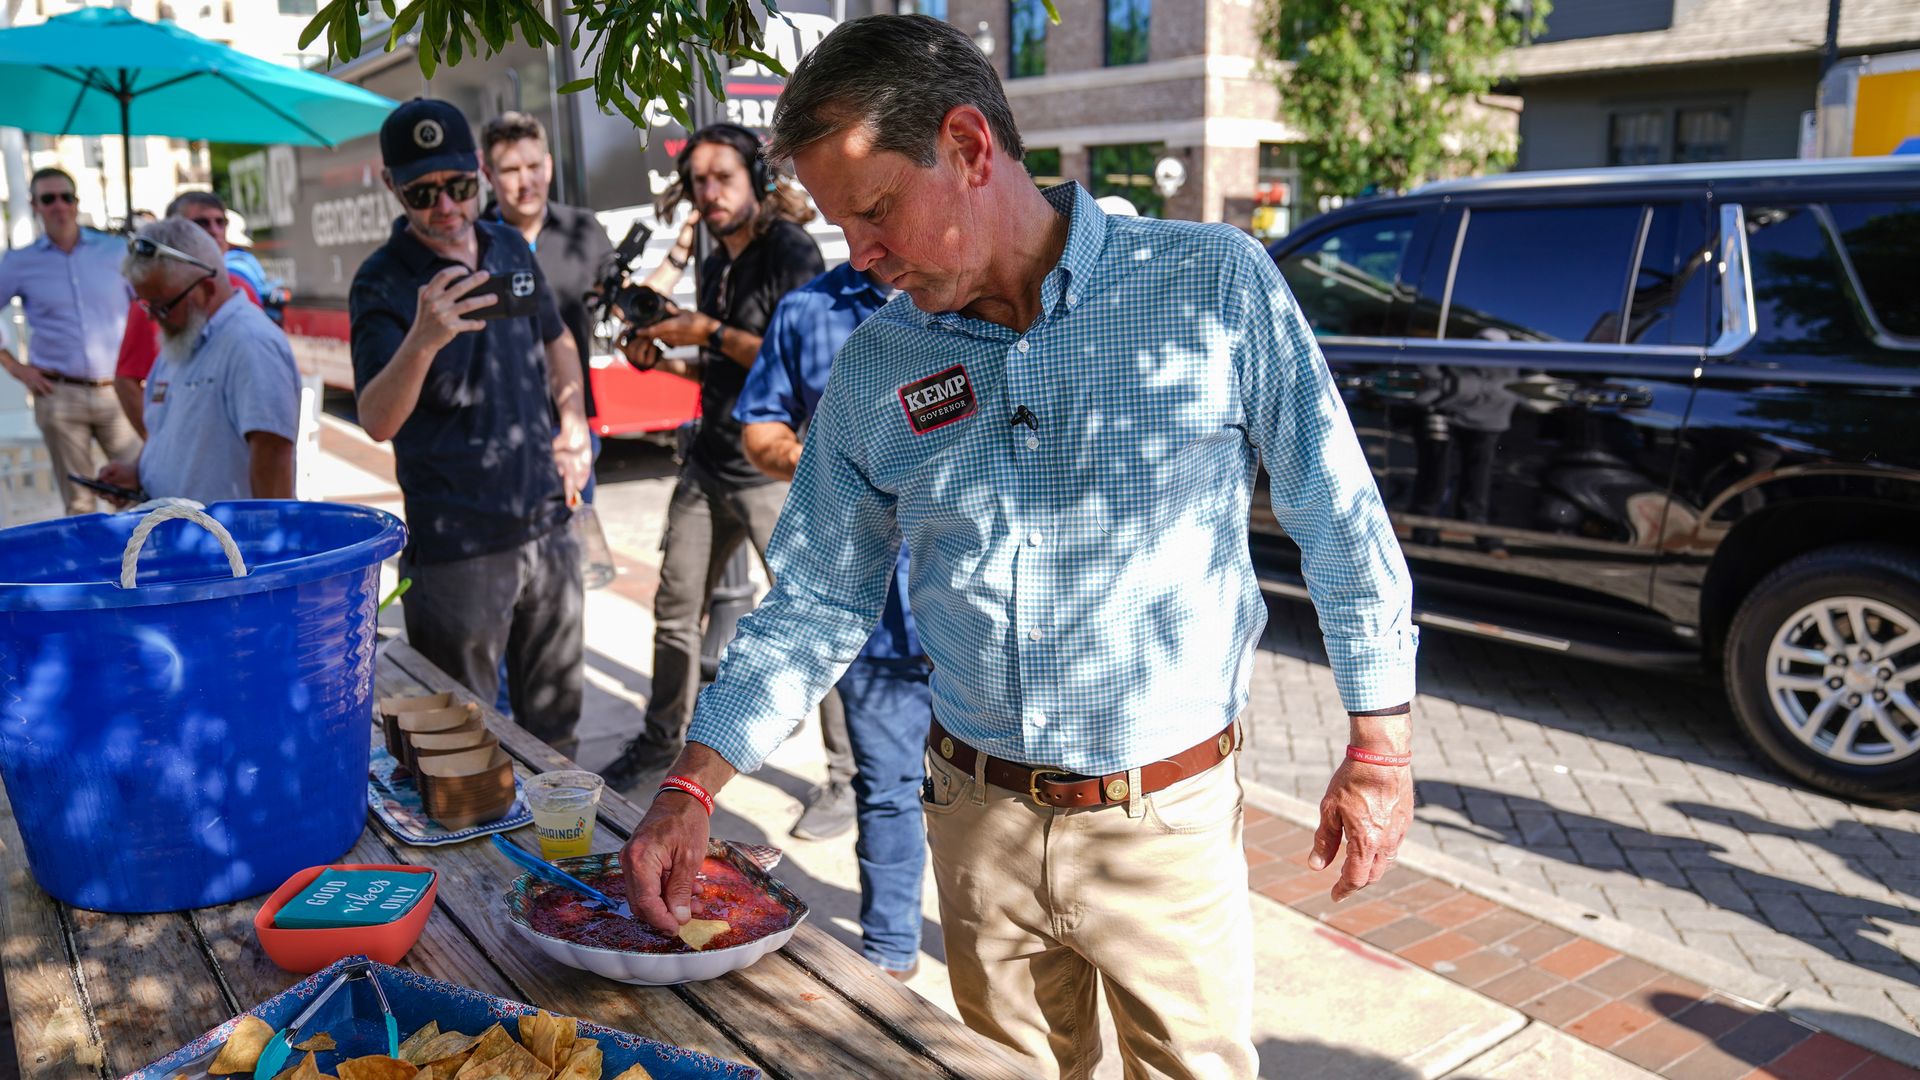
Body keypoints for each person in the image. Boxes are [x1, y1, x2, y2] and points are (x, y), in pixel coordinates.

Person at [618, 16, 1419, 1080]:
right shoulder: (877, 364)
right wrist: (695, 785)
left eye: (873, 211)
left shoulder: (1209, 286)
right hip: (975, 822)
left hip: (1163, 829)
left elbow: (1340, 516)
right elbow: (814, 598)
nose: (858, 255)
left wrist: (1379, 749)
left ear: (968, 146)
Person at [595, 124, 838, 816]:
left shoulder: (787, 251)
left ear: (757, 181)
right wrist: (668, 356)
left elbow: (789, 356)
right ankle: (657, 738)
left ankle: (847, 777)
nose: (710, 192)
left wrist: (703, 331)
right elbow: (721, 364)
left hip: (771, 467)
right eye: (699, 180)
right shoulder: (714, 254)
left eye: (723, 177)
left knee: (812, 617)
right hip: (708, 461)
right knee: (674, 611)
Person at [348, 98, 592, 756]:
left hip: (546, 524)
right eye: (422, 193)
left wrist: (573, 422)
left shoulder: (508, 243)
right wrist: (423, 340)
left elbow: (556, 338)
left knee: (557, 732)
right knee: (464, 744)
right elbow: (376, 418)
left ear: (478, 172)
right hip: (459, 549)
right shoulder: (383, 280)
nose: (446, 208)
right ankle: (484, 863)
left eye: (458, 187)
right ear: (391, 185)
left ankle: (563, 857)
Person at [733, 261, 929, 979]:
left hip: (986, 612)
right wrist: (838, 467)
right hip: (872, 600)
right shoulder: (808, 309)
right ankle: (891, 957)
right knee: (886, 787)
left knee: (1001, 799)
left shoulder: (986, 287)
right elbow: (760, 429)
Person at [96, 218, 297, 506]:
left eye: (162, 305)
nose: (153, 317)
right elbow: (169, 434)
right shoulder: (183, 339)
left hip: (225, 546)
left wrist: (267, 542)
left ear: (207, 288)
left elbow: (274, 460)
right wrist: (139, 474)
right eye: (146, 305)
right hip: (179, 534)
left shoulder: (250, 343)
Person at [479, 110, 617, 504]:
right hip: (498, 427)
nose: (526, 182)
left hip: (571, 426)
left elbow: (620, 301)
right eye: (510, 170)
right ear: (488, 176)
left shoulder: (582, 229)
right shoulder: (475, 242)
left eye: (534, 166)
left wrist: (678, 254)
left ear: (549, 166)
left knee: (572, 550)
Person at [0, 167, 140, 515]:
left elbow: (146, 308)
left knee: (142, 491)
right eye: (48, 199)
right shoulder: (19, 262)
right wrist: (17, 369)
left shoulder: (115, 252)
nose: (58, 206)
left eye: (66, 197)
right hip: (59, 394)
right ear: (35, 205)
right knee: (80, 504)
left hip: (119, 391)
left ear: (77, 203)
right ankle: (92, 573)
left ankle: (144, 565)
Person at [114, 191, 263, 437]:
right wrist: (156, 447)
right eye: (201, 223)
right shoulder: (156, 297)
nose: (214, 230)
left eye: (220, 222)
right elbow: (126, 380)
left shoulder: (242, 286)